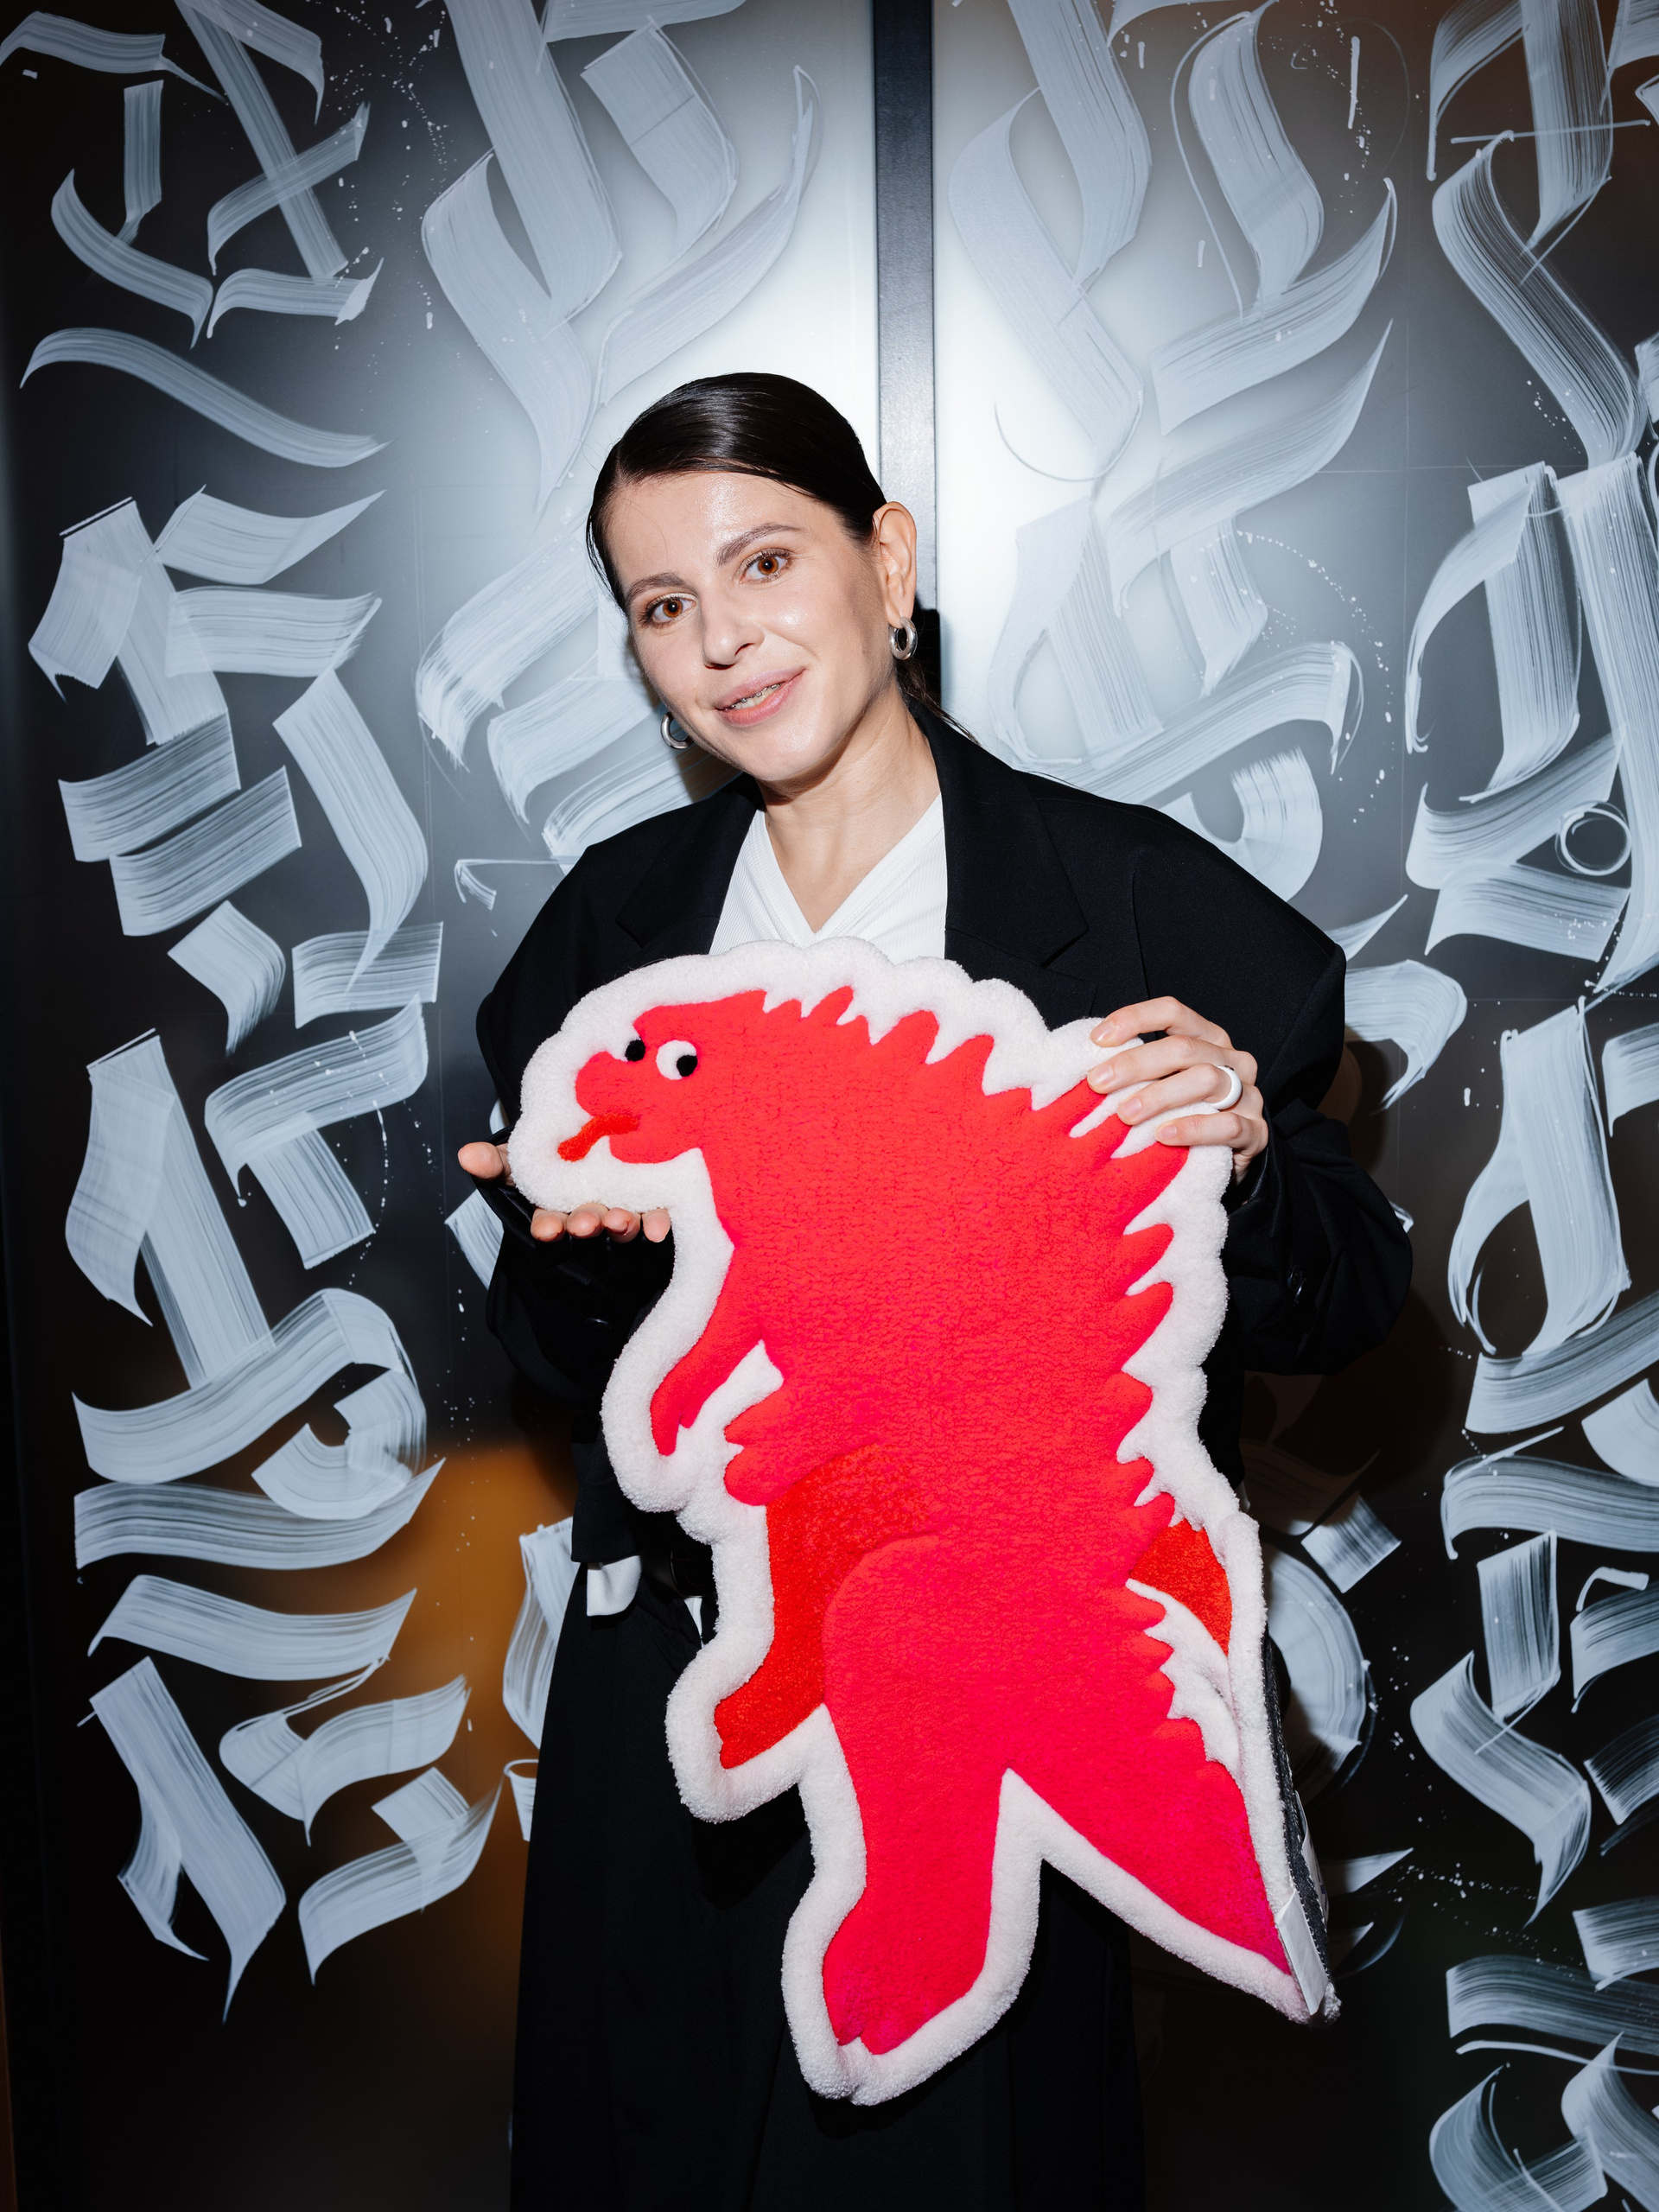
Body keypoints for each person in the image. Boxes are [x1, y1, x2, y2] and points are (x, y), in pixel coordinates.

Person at [460, 373, 1411, 2211]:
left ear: (886, 563)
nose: (722, 639)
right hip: (679, 1717)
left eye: (765, 561)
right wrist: (580, 1270)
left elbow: (1352, 1287)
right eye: (663, 603)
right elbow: (551, 1350)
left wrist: (1235, 1156)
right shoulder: (615, 934)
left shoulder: (1124, 903)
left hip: (979, 1691)